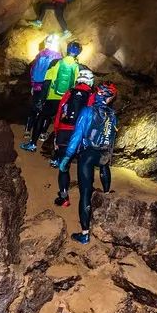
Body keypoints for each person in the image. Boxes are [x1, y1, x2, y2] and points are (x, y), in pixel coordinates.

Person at [57, 82, 118, 244]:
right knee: (104, 168)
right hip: (103, 153)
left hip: (88, 155)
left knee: (85, 193)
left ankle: (85, 234)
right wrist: (107, 157)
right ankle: (106, 196)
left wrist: (67, 157)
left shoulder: (88, 111)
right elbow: (110, 139)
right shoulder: (112, 115)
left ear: (97, 94)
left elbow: (77, 135)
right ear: (110, 98)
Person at [20, 41, 80, 152]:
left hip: (52, 96)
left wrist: (42, 99)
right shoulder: (77, 67)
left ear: (67, 50)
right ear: (78, 53)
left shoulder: (56, 63)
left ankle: (33, 144)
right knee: (60, 123)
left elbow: (47, 82)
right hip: (65, 100)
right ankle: (57, 152)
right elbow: (75, 86)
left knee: (41, 117)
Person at [49, 66, 95, 169]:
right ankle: (64, 166)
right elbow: (90, 116)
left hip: (63, 126)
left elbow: (60, 110)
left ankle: (56, 160)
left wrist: (56, 129)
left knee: (60, 149)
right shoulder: (91, 95)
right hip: (77, 130)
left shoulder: (69, 92)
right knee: (68, 156)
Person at [24, 34, 62, 138]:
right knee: (46, 112)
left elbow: (33, 70)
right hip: (49, 88)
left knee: (34, 108)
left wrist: (32, 84)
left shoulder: (40, 54)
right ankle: (42, 133)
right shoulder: (58, 57)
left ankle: (27, 130)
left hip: (37, 85)